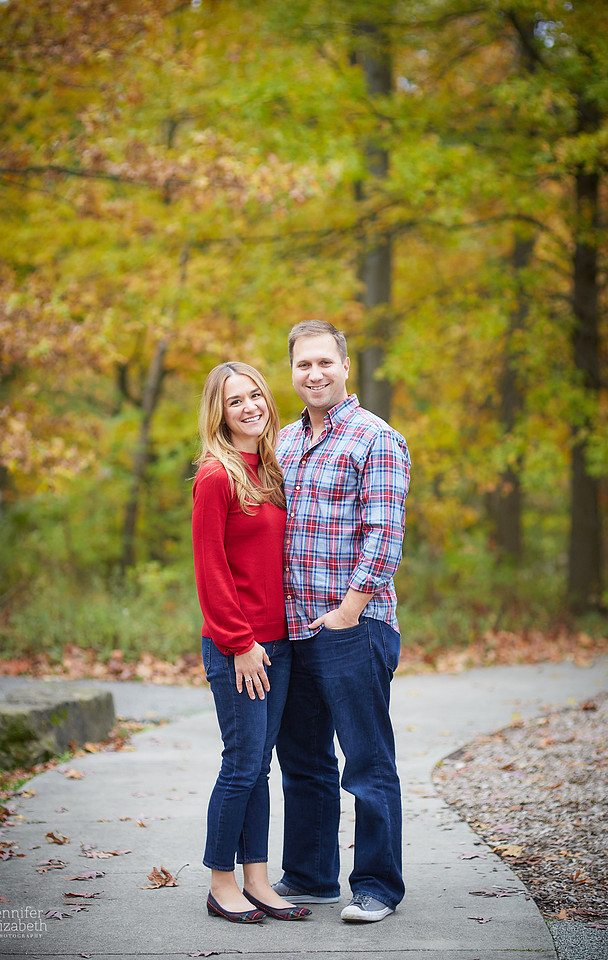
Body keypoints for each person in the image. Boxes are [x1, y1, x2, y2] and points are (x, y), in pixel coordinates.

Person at [271, 320, 411, 923]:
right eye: (304, 365)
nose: (314, 374)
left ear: (345, 367)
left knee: (366, 759)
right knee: (303, 760)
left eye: (324, 362)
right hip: (292, 627)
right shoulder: (281, 442)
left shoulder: (376, 438)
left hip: (355, 624)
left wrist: (349, 612)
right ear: (293, 371)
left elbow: (384, 533)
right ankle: (309, 876)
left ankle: (377, 885)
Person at [192, 361, 311, 924]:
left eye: (256, 395)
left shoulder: (268, 469)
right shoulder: (216, 477)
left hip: (277, 642)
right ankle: (221, 884)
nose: (250, 407)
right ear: (220, 412)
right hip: (238, 646)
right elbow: (211, 571)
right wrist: (239, 643)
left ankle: (257, 880)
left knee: (258, 766)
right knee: (240, 764)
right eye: (236, 400)